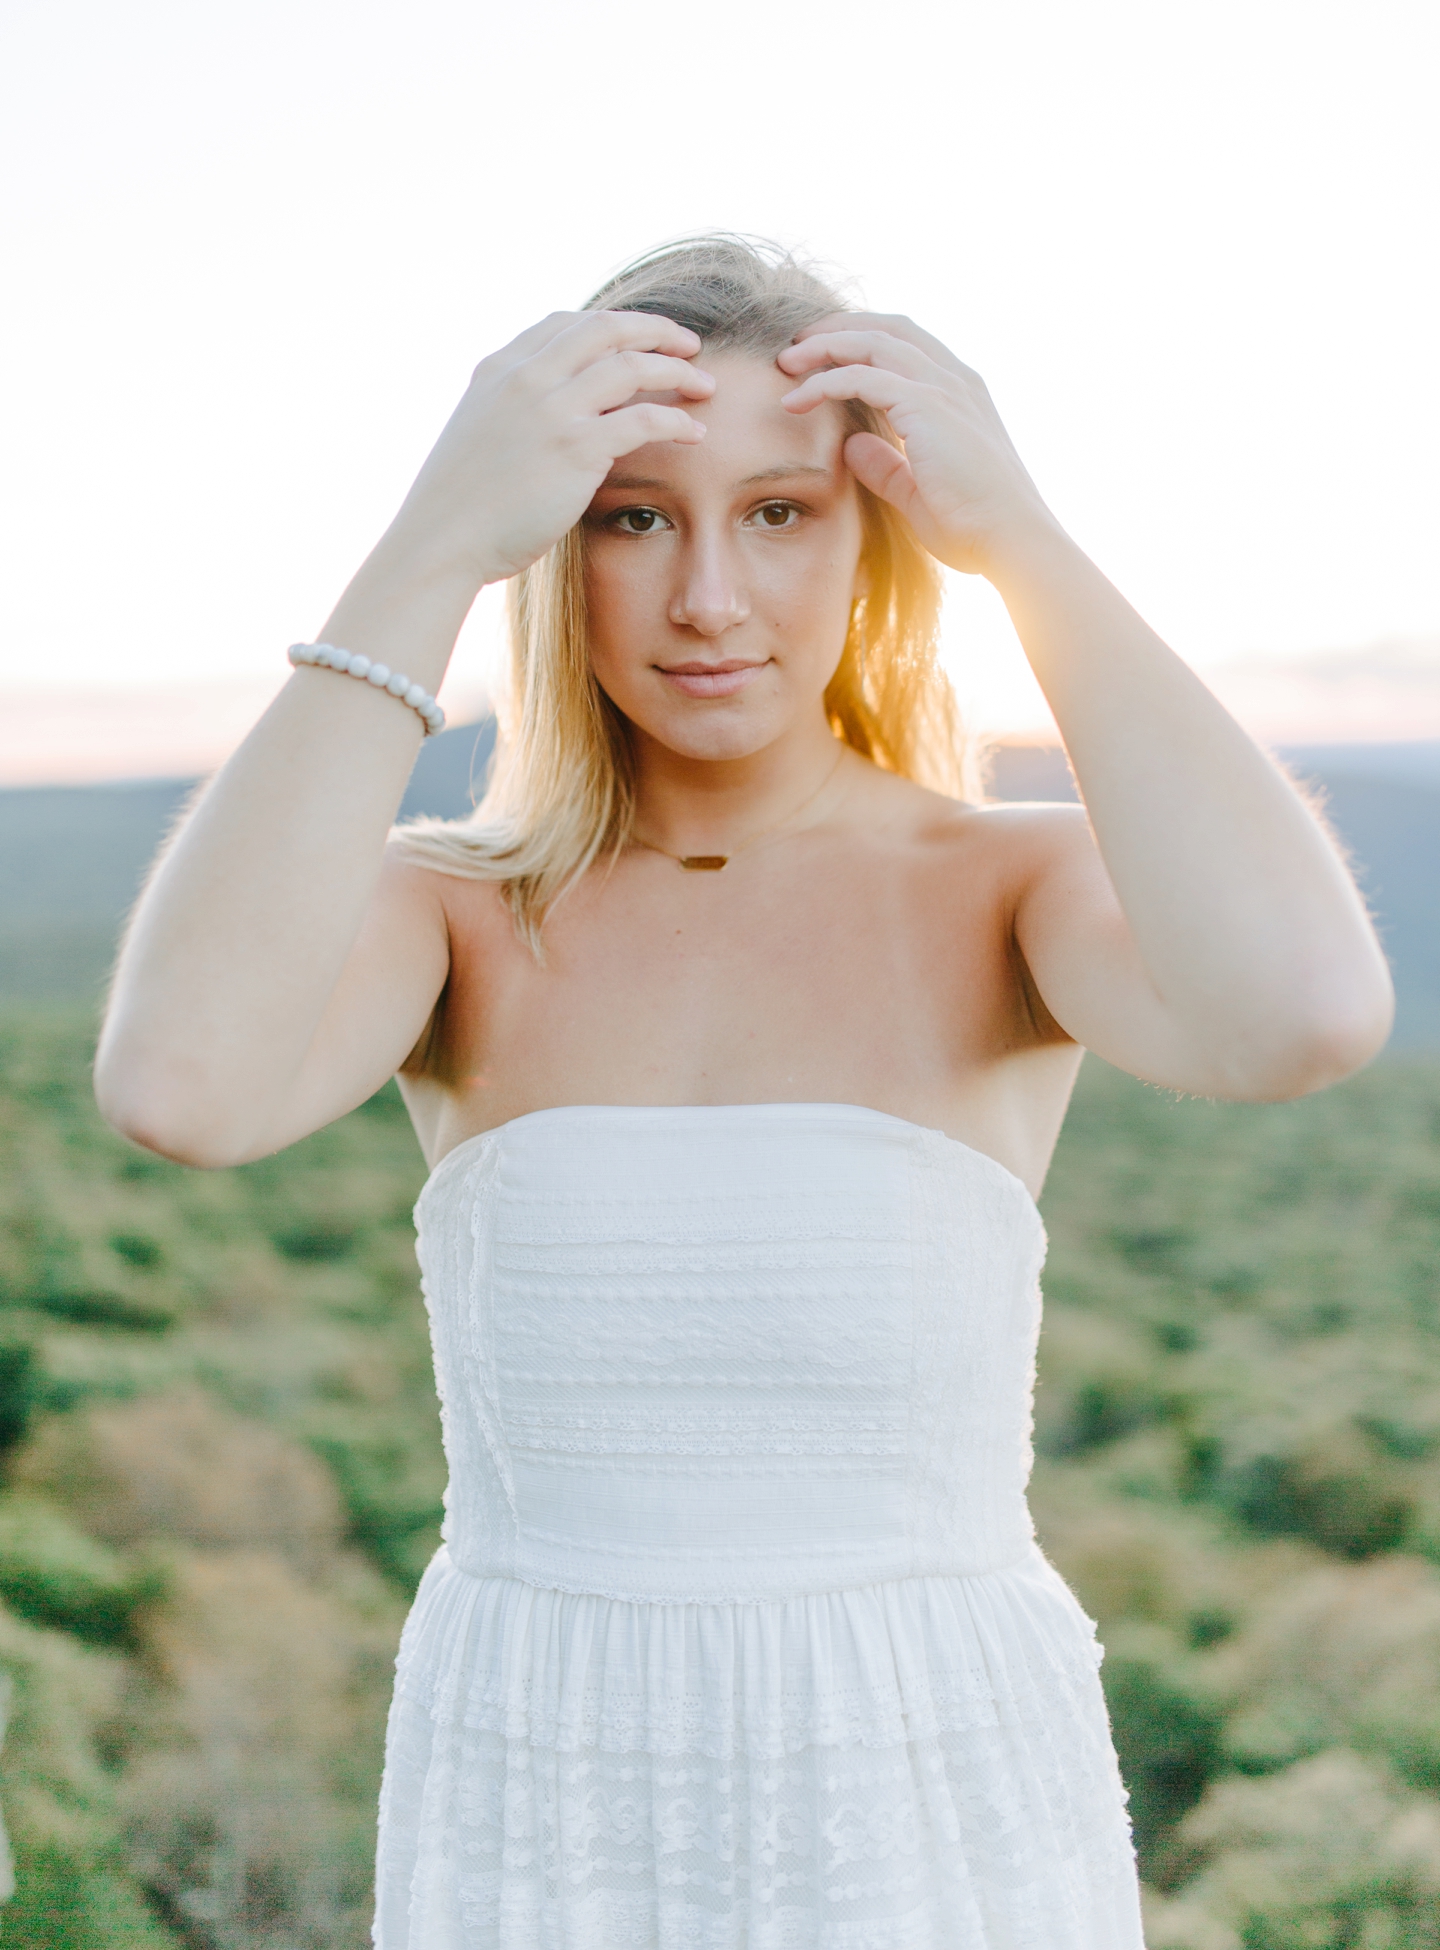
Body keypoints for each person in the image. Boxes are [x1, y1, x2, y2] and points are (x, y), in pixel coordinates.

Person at [96, 234, 1393, 1947]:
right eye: (633, 515)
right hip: (541, 1797)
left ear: (877, 545)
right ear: (556, 550)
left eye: (781, 512)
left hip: (926, 1796)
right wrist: (428, 543)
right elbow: (182, 1086)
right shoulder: (450, 912)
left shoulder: (1012, 889)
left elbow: (1304, 1015)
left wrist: (1025, 540)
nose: (709, 593)